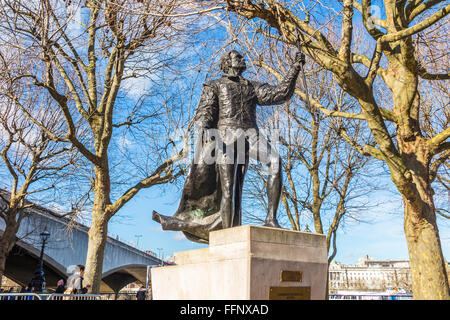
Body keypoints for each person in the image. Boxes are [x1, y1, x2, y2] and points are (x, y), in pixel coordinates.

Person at [153, 49, 304, 243]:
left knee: (275, 161)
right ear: (228, 62)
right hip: (225, 137)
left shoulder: (253, 87)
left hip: (250, 134)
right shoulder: (215, 85)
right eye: (238, 57)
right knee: (228, 187)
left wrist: (295, 68)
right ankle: (225, 234)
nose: (243, 59)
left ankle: (271, 218)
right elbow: (204, 112)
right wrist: (206, 130)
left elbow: (280, 94)